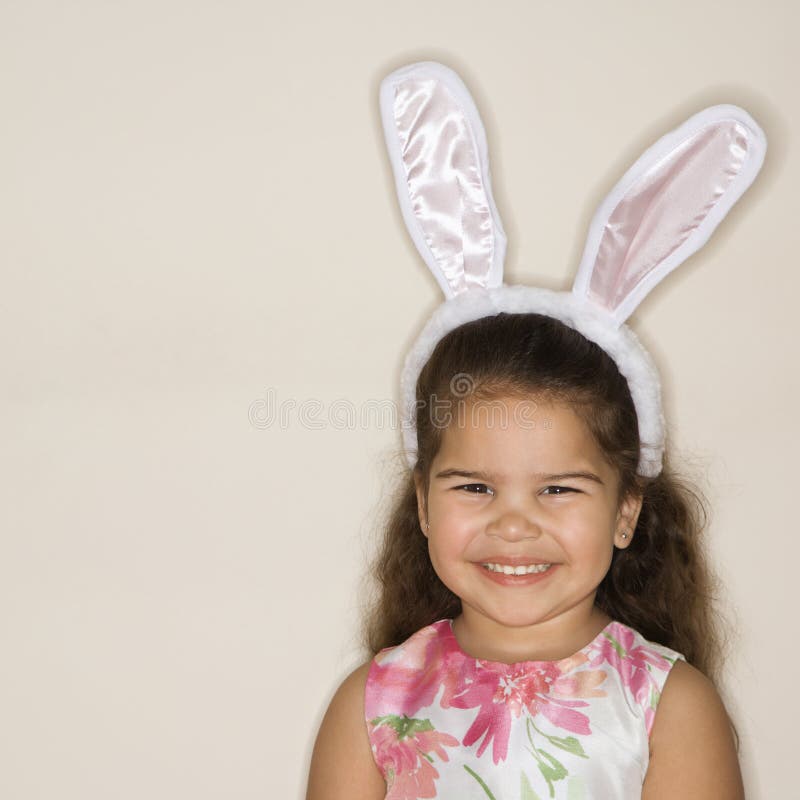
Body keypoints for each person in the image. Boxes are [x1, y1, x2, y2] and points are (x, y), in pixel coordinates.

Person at [306, 61, 765, 799]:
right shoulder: (371, 706)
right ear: (423, 502)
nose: (513, 524)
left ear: (625, 510)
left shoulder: (666, 708)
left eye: (557, 488)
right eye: (475, 486)